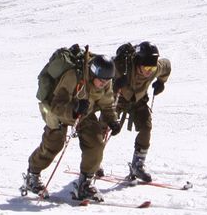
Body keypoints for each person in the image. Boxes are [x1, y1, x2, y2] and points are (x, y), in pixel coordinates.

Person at [21, 53, 120, 201]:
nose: (104, 83)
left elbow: (107, 102)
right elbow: (56, 104)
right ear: (93, 73)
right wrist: (74, 109)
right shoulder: (73, 76)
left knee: (96, 142)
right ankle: (32, 176)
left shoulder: (105, 81)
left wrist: (112, 119)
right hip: (59, 112)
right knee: (54, 144)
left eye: (107, 81)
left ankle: (85, 184)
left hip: (84, 113)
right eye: (101, 80)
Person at [113, 41, 171, 182]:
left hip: (138, 99)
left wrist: (162, 82)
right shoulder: (122, 67)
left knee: (146, 127)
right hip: (118, 98)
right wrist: (115, 83)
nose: (148, 72)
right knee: (105, 127)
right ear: (138, 63)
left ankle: (138, 165)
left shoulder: (155, 68)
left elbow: (167, 66)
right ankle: (94, 165)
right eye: (145, 67)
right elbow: (103, 70)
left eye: (151, 69)